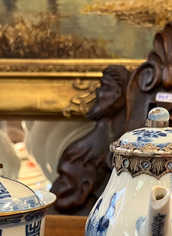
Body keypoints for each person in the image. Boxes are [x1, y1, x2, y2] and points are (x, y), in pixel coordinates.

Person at [50, 65, 129, 215]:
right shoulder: (87, 148)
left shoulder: (107, 148)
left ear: (117, 94)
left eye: (104, 87)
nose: (97, 92)